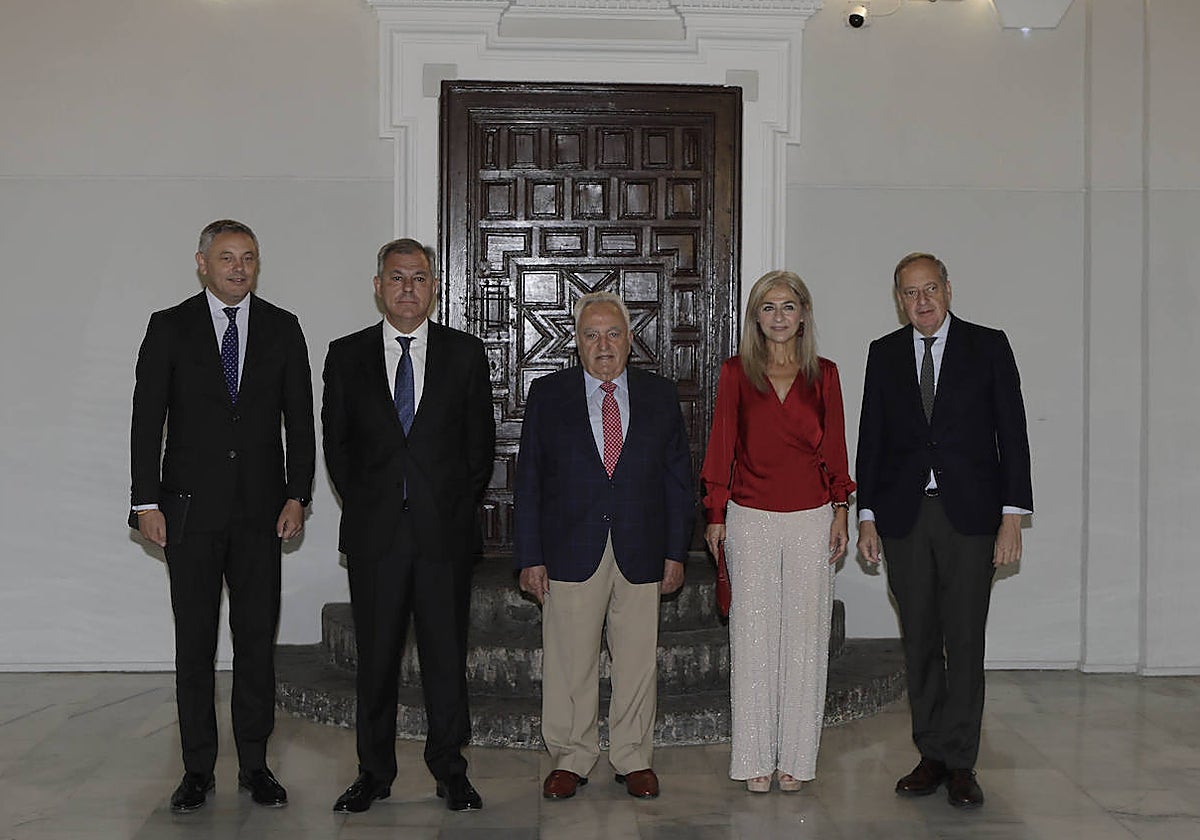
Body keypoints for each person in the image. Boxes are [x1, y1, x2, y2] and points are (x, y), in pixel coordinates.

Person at [129, 219, 315, 813]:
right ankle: (196, 770)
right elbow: (146, 419)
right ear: (202, 263)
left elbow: (300, 421)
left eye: (249, 258)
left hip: (264, 513)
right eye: (227, 257)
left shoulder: (283, 329)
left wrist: (298, 494)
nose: (239, 268)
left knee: (256, 642)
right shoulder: (170, 327)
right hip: (188, 514)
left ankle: (256, 765)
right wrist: (144, 502)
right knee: (195, 645)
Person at [322, 238, 495, 814]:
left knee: (446, 657)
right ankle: (373, 771)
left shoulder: (464, 355)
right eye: (397, 278)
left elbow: (479, 448)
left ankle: (450, 769)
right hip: (376, 538)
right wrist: (374, 503)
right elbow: (337, 448)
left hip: (443, 536)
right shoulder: (345, 356)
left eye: (419, 279)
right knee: (377, 659)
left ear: (434, 288)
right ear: (377, 286)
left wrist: (442, 505)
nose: (407, 289)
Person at [855, 252, 1033, 809]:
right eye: (910, 293)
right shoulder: (883, 355)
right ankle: (930, 753)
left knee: (964, 640)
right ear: (898, 300)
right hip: (906, 519)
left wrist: (1012, 517)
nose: (922, 301)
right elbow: (871, 439)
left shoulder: (988, 345)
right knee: (921, 640)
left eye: (930, 289)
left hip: (971, 520)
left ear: (949, 290)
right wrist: (867, 517)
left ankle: (962, 762)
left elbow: (1014, 435)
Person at [515, 291, 693, 802]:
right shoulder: (549, 396)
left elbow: (678, 480)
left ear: (630, 340)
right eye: (591, 335)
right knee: (570, 660)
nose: (603, 345)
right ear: (576, 343)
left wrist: (676, 551)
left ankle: (633, 757)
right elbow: (529, 480)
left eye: (613, 334)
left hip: (642, 547)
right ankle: (570, 758)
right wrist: (529, 555)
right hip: (570, 547)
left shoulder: (660, 396)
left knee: (637, 660)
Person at [699, 270, 854, 793]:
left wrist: (841, 508)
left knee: (806, 641)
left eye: (789, 306)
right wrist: (715, 513)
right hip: (751, 517)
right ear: (755, 317)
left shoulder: (826, 375)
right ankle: (754, 759)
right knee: (752, 640)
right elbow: (721, 446)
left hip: (812, 520)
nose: (780, 316)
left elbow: (835, 449)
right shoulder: (735, 372)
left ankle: (796, 760)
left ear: (804, 314)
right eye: (769, 307)